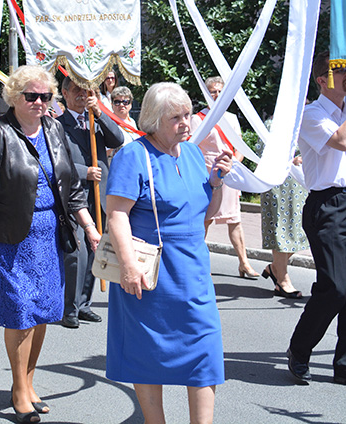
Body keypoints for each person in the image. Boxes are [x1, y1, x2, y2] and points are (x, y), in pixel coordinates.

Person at [0, 66, 99, 422]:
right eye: (32, 96)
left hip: (49, 236)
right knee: (21, 314)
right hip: (9, 238)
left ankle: (28, 381)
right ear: (14, 97)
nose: (40, 102)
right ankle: (18, 389)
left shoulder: (55, 129)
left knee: (41, 314)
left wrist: (89, 227)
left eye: (46, 96)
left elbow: (70, 188)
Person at [105, 82, 231, 424]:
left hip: (192, 270)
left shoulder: (191, 153)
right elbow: (116, 214)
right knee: (147, 354)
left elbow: (205, 213)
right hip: (150, 272)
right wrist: (129, 266)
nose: (186, 123)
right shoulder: (134, 155)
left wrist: (217, 182)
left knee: (205, 351)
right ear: (154, 119)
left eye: (188, 114)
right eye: (176, 117)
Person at [287, 53, 346, 386]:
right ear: (322, 80)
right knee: (335, 288)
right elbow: (341, 141)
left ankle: (344, 363)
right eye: (341, 72)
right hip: (328, 205)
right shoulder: (312, 114)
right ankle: (299, 348)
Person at [58, 75, 124, 328]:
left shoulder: (95, 119)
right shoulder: (57, 125)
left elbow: (117, 139)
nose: (82, 96)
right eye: (76, 90)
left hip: (99, 194)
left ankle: (84, 303)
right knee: (78, 252)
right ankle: (70, 308)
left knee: (95, 249)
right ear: (64, 93)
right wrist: (82, 171)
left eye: (87, 91)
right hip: (74, 197)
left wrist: (101, 113)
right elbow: (56, 162)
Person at [190, 76, 259, 279]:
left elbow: (240, 147)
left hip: (229, 173)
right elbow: (191, 148)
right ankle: (201, 262)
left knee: (234, 219)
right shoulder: (198, 119)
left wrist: (234, 166)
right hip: (207, 175)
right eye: (212, 91)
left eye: (220, 91)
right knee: (206, 220)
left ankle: (244, 263)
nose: (217, 94)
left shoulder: (231, 118)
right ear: (206, 94)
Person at [257, 117, 307, 299]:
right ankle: (282, 280)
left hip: (301, 184)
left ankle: (275, 268)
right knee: (282, 231)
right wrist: (289, 159)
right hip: (279, 184)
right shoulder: (274, 123)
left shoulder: (307, 120)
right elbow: (260, 150)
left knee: (302, 231)